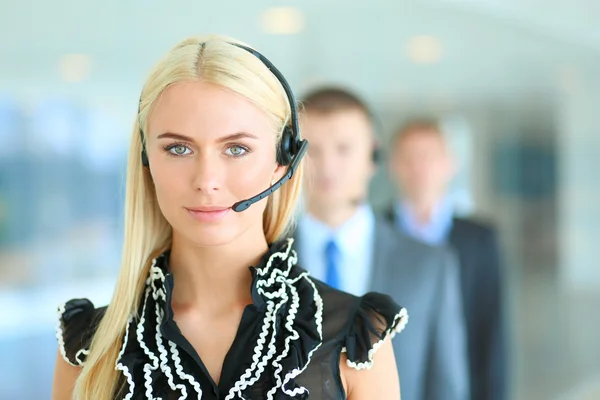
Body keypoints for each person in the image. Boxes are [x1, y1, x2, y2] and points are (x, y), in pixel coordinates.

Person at [51, 35, 408, 400]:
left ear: (282, 160)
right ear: (146, 160)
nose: (206, 181)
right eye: (178, 148)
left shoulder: (355, 341)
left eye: (236, 149)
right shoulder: (87, 349)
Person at [294, 87, 470, 400]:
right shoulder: (262, 259)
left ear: (372, 157)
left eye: (344, 148)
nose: (328, 166)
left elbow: (447, 385)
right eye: (312, 149)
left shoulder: (429, 264)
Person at [386, 118, 507, 400]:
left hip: (465, 382)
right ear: (394, 166)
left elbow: (491, 328)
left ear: (450, 164)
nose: (420, 167)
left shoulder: (480, 239)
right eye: (409, 158)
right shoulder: (375, 231)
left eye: (429, 157)